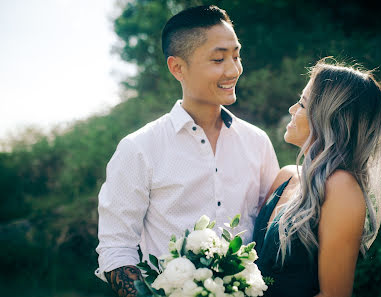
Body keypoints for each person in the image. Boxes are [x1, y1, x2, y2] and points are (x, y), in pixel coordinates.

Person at [95, 5, 279, 297]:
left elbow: (271, 234)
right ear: (177, 67)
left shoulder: (257, 141)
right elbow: (117, 248)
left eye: (236, 55)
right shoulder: (138, 149)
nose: (233, 69)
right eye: (218, 59)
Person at [253, 58, 381, 297]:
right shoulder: (285, 176)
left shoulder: (341, 187)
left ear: (329, 118)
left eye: (303, 104)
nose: (292, 110)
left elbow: (333, 294)